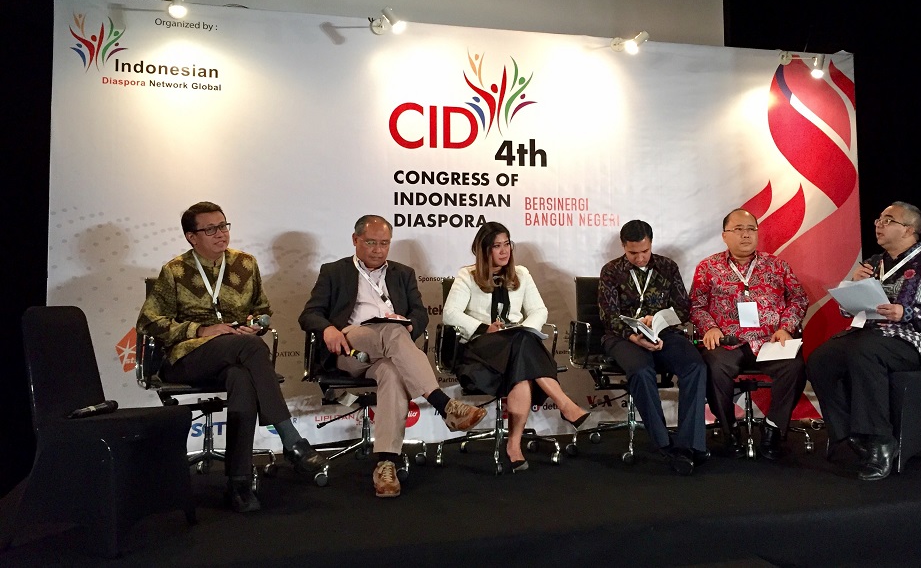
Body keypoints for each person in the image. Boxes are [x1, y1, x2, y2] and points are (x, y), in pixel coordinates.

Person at [137, 201, 326, 513]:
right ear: (191, 237)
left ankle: (238, 483)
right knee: (250, 351)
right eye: (210, 229)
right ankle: (291, 439)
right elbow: (149, 323)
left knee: (242, 375)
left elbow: (263, 311)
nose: (220, 233)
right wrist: (200, 331)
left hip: (236, 355)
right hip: (187, 360)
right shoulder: (175, 271)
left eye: (223, 225)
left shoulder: (245, 264)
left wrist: (256, 325)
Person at [298, 215, 486, 497]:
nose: (378, 249)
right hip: (352, 346)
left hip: (389, 352)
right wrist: (327, 329)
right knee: (391, 332)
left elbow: (420, 314)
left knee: (392, 370)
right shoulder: (334, 271)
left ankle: (386, 463)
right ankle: (443, 403)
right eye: (371, 243)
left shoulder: (403, 273)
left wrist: (411, 324)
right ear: (355, 240)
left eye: (384, 243)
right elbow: (309, 314)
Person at [807, 201, 921, 481]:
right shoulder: (873, 263)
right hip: (868, 335)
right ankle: (849, 434)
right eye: (878, 219)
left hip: (913, 342)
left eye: (887, 220)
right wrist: (853, 285)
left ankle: (880, 440)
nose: (878, 224)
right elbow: (849, 309)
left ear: (909, 230)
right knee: (821, 358)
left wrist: (907, 312)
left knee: (865, 351)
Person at [442, 222, 590, 472]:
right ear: (484, 250)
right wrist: (484, 327)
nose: (504, 251)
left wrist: (526, 328)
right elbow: (450, 314)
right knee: (522, 344)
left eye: (507, 244)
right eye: (496, 246)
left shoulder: (521, 274)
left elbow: (538, 310)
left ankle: (514, 446)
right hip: (481, 349)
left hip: (515, 347)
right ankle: (564, 404)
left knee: (520, 360)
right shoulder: (467, 276)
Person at [690, 208, 808, 460]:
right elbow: (696, 305)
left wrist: (785, 327)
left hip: (770, 339)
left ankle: (773, 429)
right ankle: (729, 430)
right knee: (713, 366)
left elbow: (798, 298)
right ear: (724, 236)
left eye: (751, 229)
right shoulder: (708, 267)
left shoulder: (776, 265)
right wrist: (709, 327)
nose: (746, 235)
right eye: (738, 230)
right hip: (729, 341)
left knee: (794, 366)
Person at [597, 219, 708, 475]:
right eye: (632, 253)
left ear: (651, 244)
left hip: (664, 333)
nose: (639, 258)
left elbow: (683, 308)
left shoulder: (668, 267)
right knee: (640, 370)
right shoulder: (611, 271)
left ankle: (687, 444)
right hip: (623, 337)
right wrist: (635, 335)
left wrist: (658, 320)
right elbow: (609, 316)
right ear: (624, 247)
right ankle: (663, 443)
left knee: (694, 366)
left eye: (644, 251)